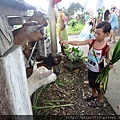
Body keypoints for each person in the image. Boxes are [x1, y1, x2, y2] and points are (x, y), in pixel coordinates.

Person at [61, 21, 114, 107]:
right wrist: (69, 42)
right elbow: (79, 43)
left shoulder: (106, 46)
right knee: (91, 82)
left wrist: (110, 63)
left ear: (106, 34)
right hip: (90, 68)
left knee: (99, 86)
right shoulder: (91, 41)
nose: (95, 35)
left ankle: (100, 100)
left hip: (99, 70)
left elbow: (107, 58)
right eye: (95, 33)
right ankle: (94, 95)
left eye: (98, 34)